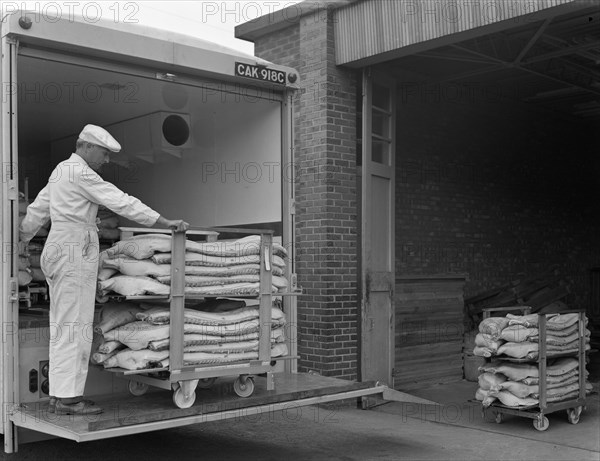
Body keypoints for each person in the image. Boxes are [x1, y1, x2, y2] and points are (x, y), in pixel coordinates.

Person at [19, 124, 189, 416]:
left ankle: (60, 395)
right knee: (76, 325)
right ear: (86, 146)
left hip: (58, 247)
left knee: (63, 324)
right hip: (73, 249)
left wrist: (19, 237)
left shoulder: (60, 171)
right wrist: (163, 221)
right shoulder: (81, 172)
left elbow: (37, 210)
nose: (106, 160)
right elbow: (120, 200)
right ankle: (69, 400)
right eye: (104, 153)